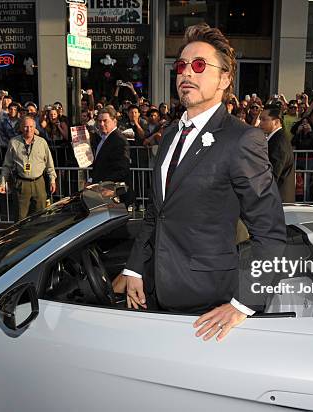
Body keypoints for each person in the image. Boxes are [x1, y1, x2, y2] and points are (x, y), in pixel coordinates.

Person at [122, 23, 287, 342]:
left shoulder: (242, 139)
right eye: (181, 66)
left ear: (225, 78)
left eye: (199, 65)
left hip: (208, 309)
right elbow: (157, 214)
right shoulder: (170, 134)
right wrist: (134, 268)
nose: (187, 73)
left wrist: (244, 304)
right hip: (157, 296)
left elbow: (270, 231)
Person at [0, 116, 57, 221]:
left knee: (40, 217)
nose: (28, 129)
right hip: (21, 184)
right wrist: (3, 182)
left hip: (39, 183)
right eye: (25, 127)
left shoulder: (42, 142)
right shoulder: (14, 142)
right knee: (20, 218)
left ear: (35, 128)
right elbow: (7, 165)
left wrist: (52, 180)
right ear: (21, 128)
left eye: (31, 126)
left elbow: (49, 164)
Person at [259, 106, 295, 203]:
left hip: (278, 199)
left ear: (276, 122)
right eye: (260, 119)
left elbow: (273, 173)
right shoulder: (277, 138)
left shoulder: (278, 142)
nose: (260, 123)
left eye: (264, 119)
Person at [89, 107, 130, 185]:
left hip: (111, 190)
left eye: (105, 121)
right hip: (100, 188)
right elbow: (99, 165)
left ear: (114, 122)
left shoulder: (119, 141)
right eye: (99, 121)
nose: (101, 124)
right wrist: (90, 180)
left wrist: (104, 184)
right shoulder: (103, 139)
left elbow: (121, 169)